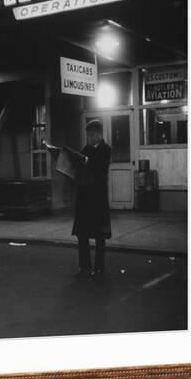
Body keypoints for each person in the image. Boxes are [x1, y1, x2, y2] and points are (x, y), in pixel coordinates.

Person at [72, 119, 112, 279]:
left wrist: (86, 162)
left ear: (98, 135)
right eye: (87, 135)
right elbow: (78, 167)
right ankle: (84, 268)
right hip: (84, 198)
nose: (88, 138)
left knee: (100, 236)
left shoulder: (105, 149)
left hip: (97, 198)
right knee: (82, 234)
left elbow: (100, 170)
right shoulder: (85, 149)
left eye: (90, 135)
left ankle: (99, 268)